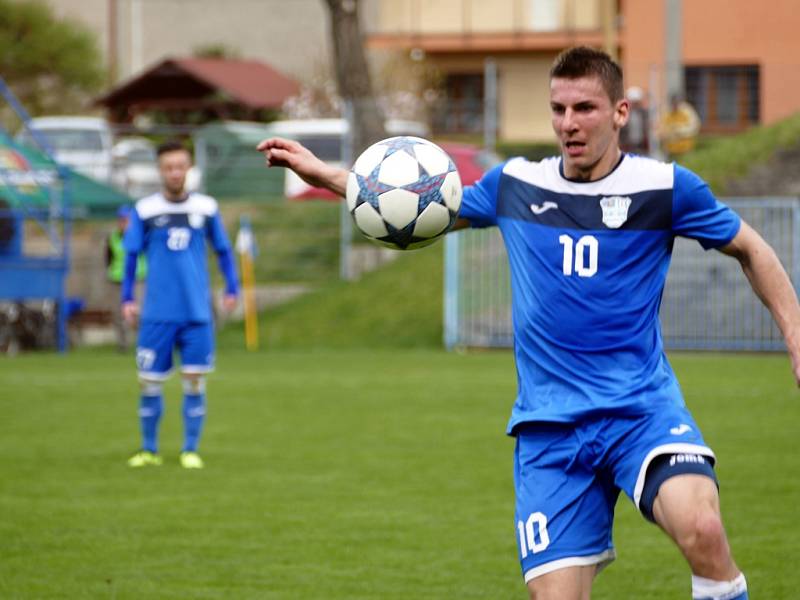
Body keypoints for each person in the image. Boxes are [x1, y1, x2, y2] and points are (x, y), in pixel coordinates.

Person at [256, 47, 800, 600]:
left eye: (584, 108)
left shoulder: (664, 188)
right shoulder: (515, 184)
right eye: (558, 109)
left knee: (702, 528)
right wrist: (325, 174)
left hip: (639, 411)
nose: (569, 123)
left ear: (618, 113)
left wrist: (795, 334)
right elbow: (415, 205)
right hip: (550, 430)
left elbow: (751, 248)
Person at [122, 140, 239, 469]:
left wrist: (232, 287)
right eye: (168, 167)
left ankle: (190, 449)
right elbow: (131, 257)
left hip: (196, 314)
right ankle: (149, 450)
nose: (175, 173)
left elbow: (224, 251)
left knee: (194, 380)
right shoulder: (145, 210)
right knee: (149, 383)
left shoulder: (206, 208)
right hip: (157, 313)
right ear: (160, 171)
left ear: (189, 169)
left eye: (180, 166)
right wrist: (128, 298)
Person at [105, 204, 146, 352]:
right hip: (118, 280)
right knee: (118, 314)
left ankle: (144, 343)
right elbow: (108, 258)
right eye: (121, 220)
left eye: (127, 220)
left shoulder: (141, 236)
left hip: (138, 279)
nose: (124, 223)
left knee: (139, 313)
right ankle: (122, 345)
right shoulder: (113, 237)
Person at [661, 93, 701, 159]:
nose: (675, 106)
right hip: (670, 150)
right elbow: (662, 129)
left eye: (676, 103)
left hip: (685, 150)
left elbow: (694, 127)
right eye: (673, 103)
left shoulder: (687, 111)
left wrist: (678, 130)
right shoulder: (667, 112)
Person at [619, 85, 649, 155]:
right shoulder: (623, 113)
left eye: (637, 102)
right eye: (633, 102)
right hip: (627, 146)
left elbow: (647, 129)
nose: (635, 104)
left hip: (641, 146)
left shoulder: (644, 114)